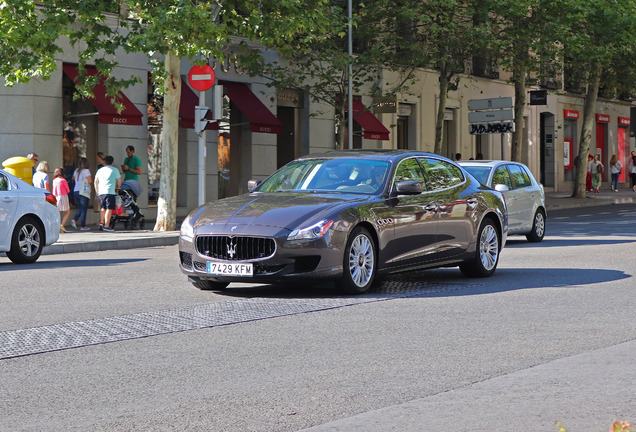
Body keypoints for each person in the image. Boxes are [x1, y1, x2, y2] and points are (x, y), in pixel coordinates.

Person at [94, 155, 121, 232]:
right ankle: (106, 225)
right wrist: (118, 187)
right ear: (112, 162)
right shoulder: (115, 170)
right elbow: (119, 180)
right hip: (110, 192)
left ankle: (102, 222)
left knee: (103, 208)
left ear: (104, 162)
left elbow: (95, 181)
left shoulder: (100, 170)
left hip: (101, 192)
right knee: (109, 209)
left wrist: (97, 191)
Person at [71, 157, 93, 231]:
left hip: (75, 191)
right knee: (84, 209)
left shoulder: (76, 171)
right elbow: (90, 181)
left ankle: (75, 220)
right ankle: (82, 225)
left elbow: (73, 179)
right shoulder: (86, 171)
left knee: (81, 208)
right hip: (83, 191)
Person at [52, 167, 71, 232]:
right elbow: (68, 190)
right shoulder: (63, 180)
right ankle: (62, 225)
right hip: (63, 196)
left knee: (58, 212)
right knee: (67, 211)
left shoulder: (54, 180)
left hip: (55, 197)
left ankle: (57, 226)